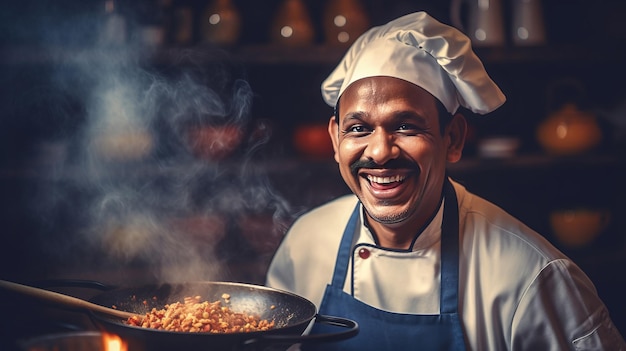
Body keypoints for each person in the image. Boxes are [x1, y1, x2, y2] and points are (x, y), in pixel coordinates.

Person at [265, 11, 626, 351]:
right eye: (358, 129)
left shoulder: (532, 277)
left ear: (452, 139)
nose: (379, 152)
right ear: (335, 140)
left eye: (405, 126)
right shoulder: (306, 243)